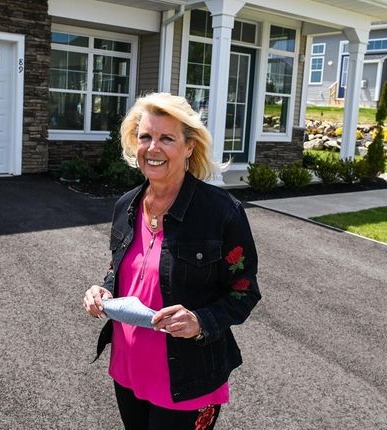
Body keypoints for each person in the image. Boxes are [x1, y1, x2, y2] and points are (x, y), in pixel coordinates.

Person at [82, 93, 260, 430]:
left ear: (189, 147)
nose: (153, 148)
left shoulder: (222, 213)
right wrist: (103, 292)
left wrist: (200, 320)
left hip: (188, 380)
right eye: (146, 137)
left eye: (167, 138)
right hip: (129, 370)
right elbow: (119, 271)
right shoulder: (126, 206)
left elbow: (245, 292)